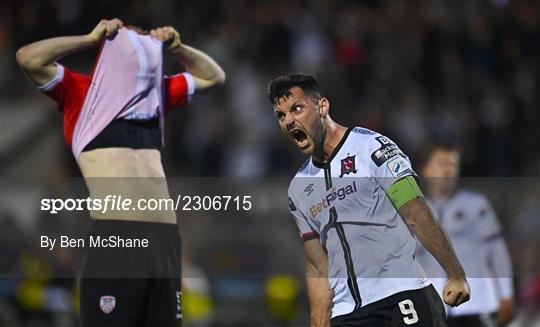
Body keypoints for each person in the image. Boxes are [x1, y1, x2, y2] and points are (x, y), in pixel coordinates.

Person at [16, 18, 225, 326]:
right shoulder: (81, 93)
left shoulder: (155, 96)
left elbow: (214, 77)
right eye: (133, 39)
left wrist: (178, 48)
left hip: (165, 243)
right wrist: (88, 39)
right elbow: (28, 58)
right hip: (118, 240)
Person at [267, 73, 470, 326]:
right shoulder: (298, 188)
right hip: (348, 314)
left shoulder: (372, 148)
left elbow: (416, 213)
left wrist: (455, 273)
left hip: (402, 296)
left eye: (296, 108)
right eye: (281, 115)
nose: (288, 120)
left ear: (322, 106)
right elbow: (318, 267)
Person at [415, 141, 515, 327]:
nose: (448, 170)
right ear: (425, 169)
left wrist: (506, 294)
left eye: (452, 164)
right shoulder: (416, 212)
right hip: (437, 305)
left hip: (478, 301)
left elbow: (497, 251)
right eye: (441, 163)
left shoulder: (476, 205)